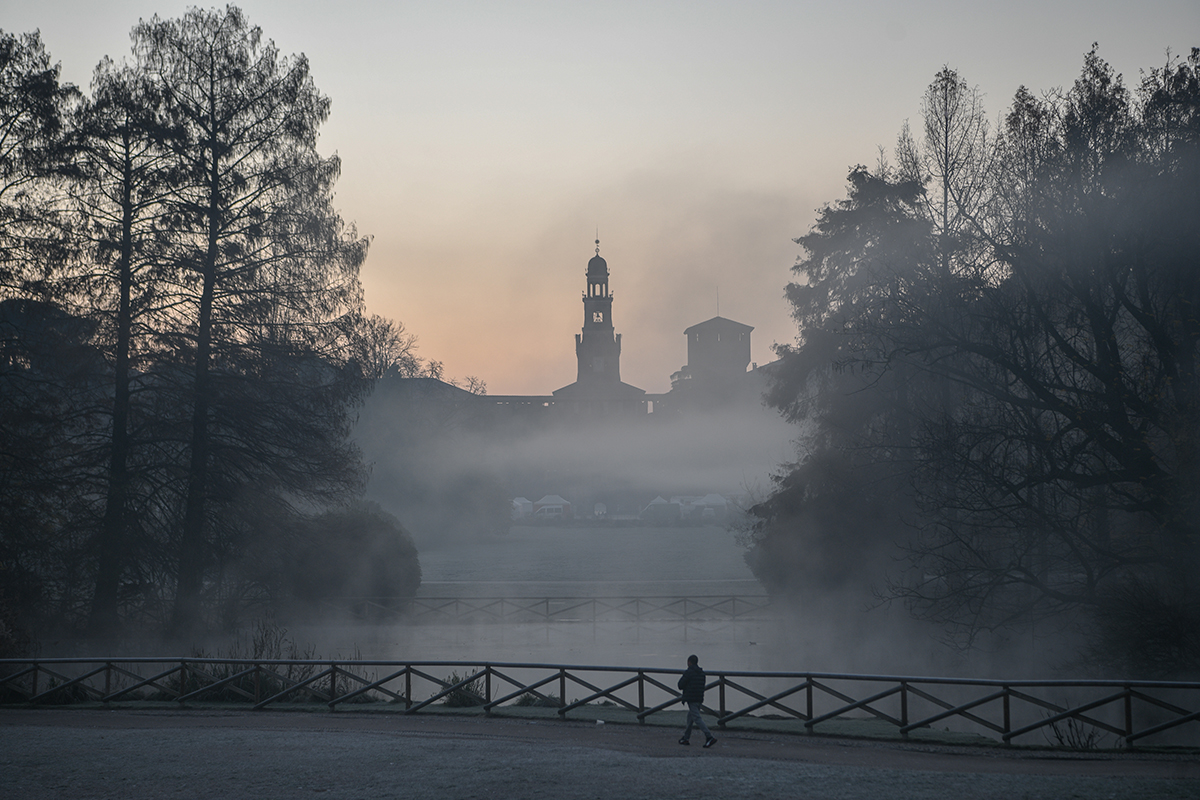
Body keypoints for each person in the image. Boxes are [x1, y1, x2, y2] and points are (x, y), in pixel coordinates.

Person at [677, 654, 717, 748]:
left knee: (697, 718)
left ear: (689, 662)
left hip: (691, 698)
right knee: (690, 718)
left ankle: (709, 737)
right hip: (699, 698)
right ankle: (685, 738)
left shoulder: (689, 672)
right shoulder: (701, 673)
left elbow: (680, 685)